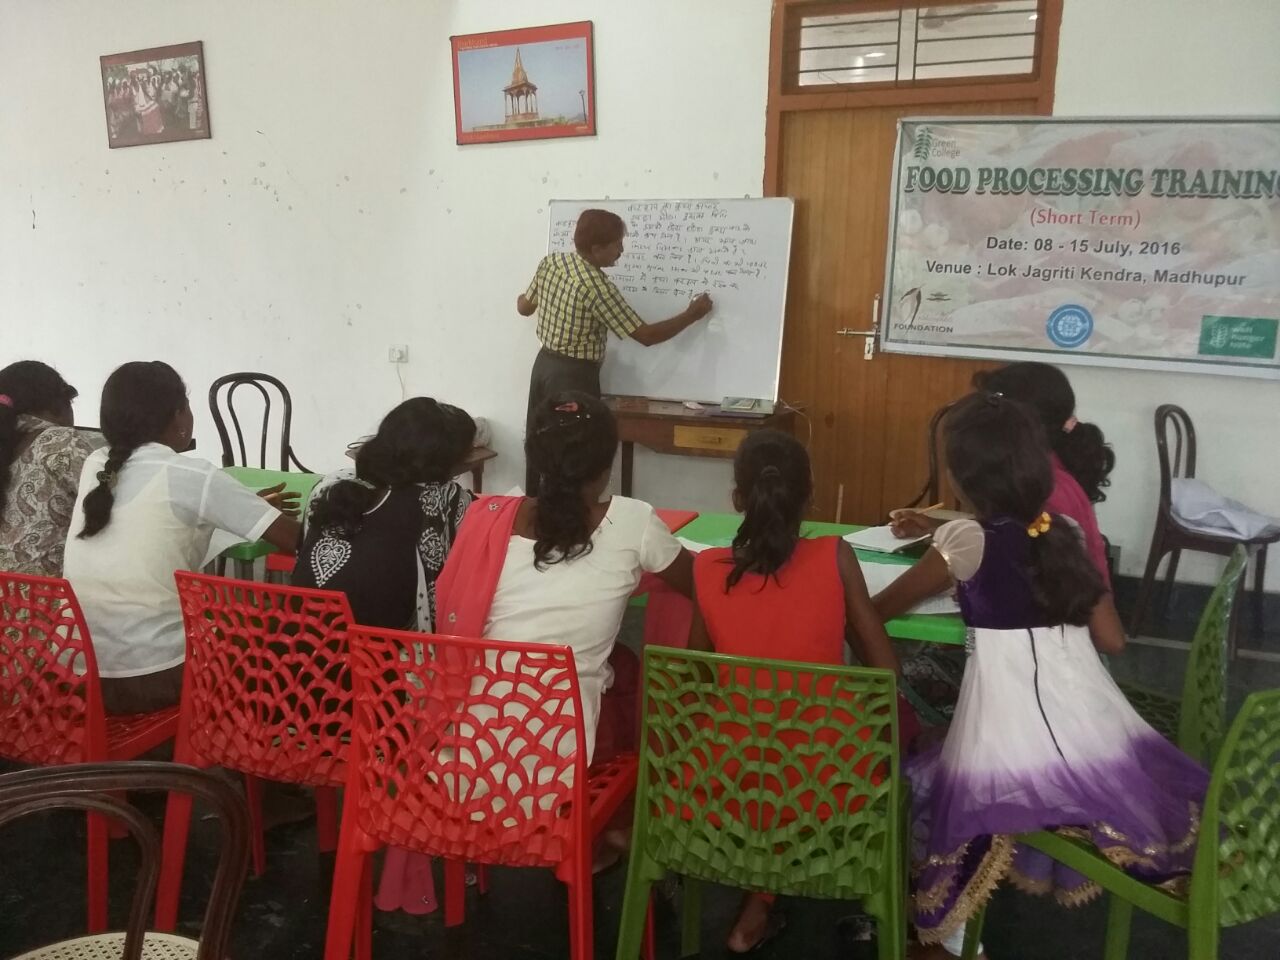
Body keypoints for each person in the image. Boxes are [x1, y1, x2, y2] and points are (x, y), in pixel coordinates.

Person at [883, 393, 1206, 959]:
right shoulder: (1063, 534)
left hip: (1007, 737)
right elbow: (1113, 639)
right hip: (1093, 730)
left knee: (925, 778)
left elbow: (882, 607)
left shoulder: (961, 541)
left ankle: (948, 942)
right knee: (937, 761)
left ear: (961, 475)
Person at [375, 391, 693, 914]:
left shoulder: (485, 518)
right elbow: (700, 584)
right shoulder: (635, 522)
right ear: (608, 462)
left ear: (535, 457)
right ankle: (619, 829)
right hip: (551, 780)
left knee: (614, 670)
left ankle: (606, 832)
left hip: (457, 768)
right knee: (625, 678)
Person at [688, 428, 908, 953]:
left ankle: (759, 896)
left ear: (737, 498)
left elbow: (694, 681)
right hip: (830, 784)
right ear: (809, 497)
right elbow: (887, 673)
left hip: (725, 782)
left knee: (759, 741)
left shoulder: (706, 568)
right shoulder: (834, 555)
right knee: (897, 736)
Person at [62, 361, 300, 715]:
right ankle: (246, 743)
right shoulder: (192, 474)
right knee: (273, 636)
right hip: (154, 677)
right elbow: (297, 540)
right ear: (178, 416)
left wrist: (242, 506)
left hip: (76, 675)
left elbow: (156, 526)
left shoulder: (96, 465)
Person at [517, 208, 715, 490]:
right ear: (597, 249)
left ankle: (536, 507)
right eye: (617, 245)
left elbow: (524, 307)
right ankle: (570, 512)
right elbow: (646, 336)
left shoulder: (551, 263)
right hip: (573, 379)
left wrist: (536, 298)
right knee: (574, 455)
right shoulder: (596, 287)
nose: (621, 251)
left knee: (542, 445)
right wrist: (691, 315)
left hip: (543, 368)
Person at [293, 397, 475, 631]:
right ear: (447, 464)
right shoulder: (446, 500)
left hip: (295, 643)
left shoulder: (330, 484)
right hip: (377, 652)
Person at [0, 361, 96, 577]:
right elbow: (114, 504)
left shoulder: (7, 449)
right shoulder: (61, 442)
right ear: (60, 404)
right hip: (51, 597)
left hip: (7, 596)